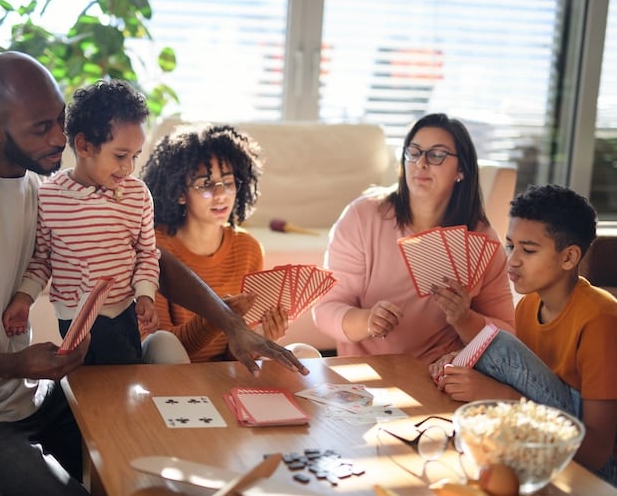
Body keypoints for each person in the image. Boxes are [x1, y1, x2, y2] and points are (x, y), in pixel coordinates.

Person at [0, 52, 307, 496]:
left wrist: (231, 325)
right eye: (40, 128)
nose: (59, 138)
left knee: (145, 465)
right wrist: (15, 364)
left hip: (24, 396)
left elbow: (151, 258)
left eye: (59, 121)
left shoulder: (37, 186)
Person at [431, 184, 617, 485]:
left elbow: (597, 452)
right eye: (510, 246)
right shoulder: (529, 305)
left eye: (528, 250)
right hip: (543, 445)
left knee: (498, 344)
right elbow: (528, 381)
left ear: (569, 258)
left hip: (599, 471)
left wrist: (498, 394)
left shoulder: (602, 320)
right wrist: (465, 363)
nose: (512, 260)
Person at [2, 79, 189, 365]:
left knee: (124, 380)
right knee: (85, 386)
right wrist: (24, 298)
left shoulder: (137, 194)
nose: (128, 168)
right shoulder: (49, 195)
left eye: (135, 156)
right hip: (72, 318)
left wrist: (146, 295)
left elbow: (148, 254)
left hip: (122, 312)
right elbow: (41, 259)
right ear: (84, 146)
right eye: (120, 155)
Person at [312, 113, 515, 364]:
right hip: (367, 374)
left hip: (439, 373)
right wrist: (368, 320)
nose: (421, 163)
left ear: (461, 169)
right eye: (414, 152)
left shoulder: (481, 238)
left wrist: (465, 319)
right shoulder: (362, 216)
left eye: (437, 155)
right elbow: (324, 310)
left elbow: (508, 334)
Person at [142, 123, 294, 362]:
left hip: (225, 376)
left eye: (229, 182)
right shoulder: (155, 246)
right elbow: (161, 347)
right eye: (205, 184)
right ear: (180, 192)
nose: (221, 194)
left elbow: (233, 357)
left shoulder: (248, 249)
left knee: (304, 351)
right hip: (174, 375)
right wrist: (221, 316)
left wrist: (260, 335)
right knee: (163, 343)